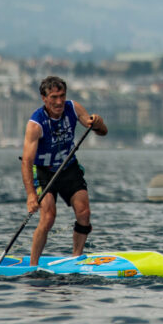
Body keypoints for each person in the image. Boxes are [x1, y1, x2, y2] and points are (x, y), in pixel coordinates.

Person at [21, 76, 107, 265]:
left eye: (62, 96)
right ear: (44, 98)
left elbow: (101, 131)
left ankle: (77, 258)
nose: (59, 102)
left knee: (84, 212)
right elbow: (26, 162)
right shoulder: (35, 125)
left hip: (68, 167)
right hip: (43, 171)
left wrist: (98, 123)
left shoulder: (73, 108)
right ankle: (33, 265)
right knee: (49, 216)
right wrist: (30, 196)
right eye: (53, 97)